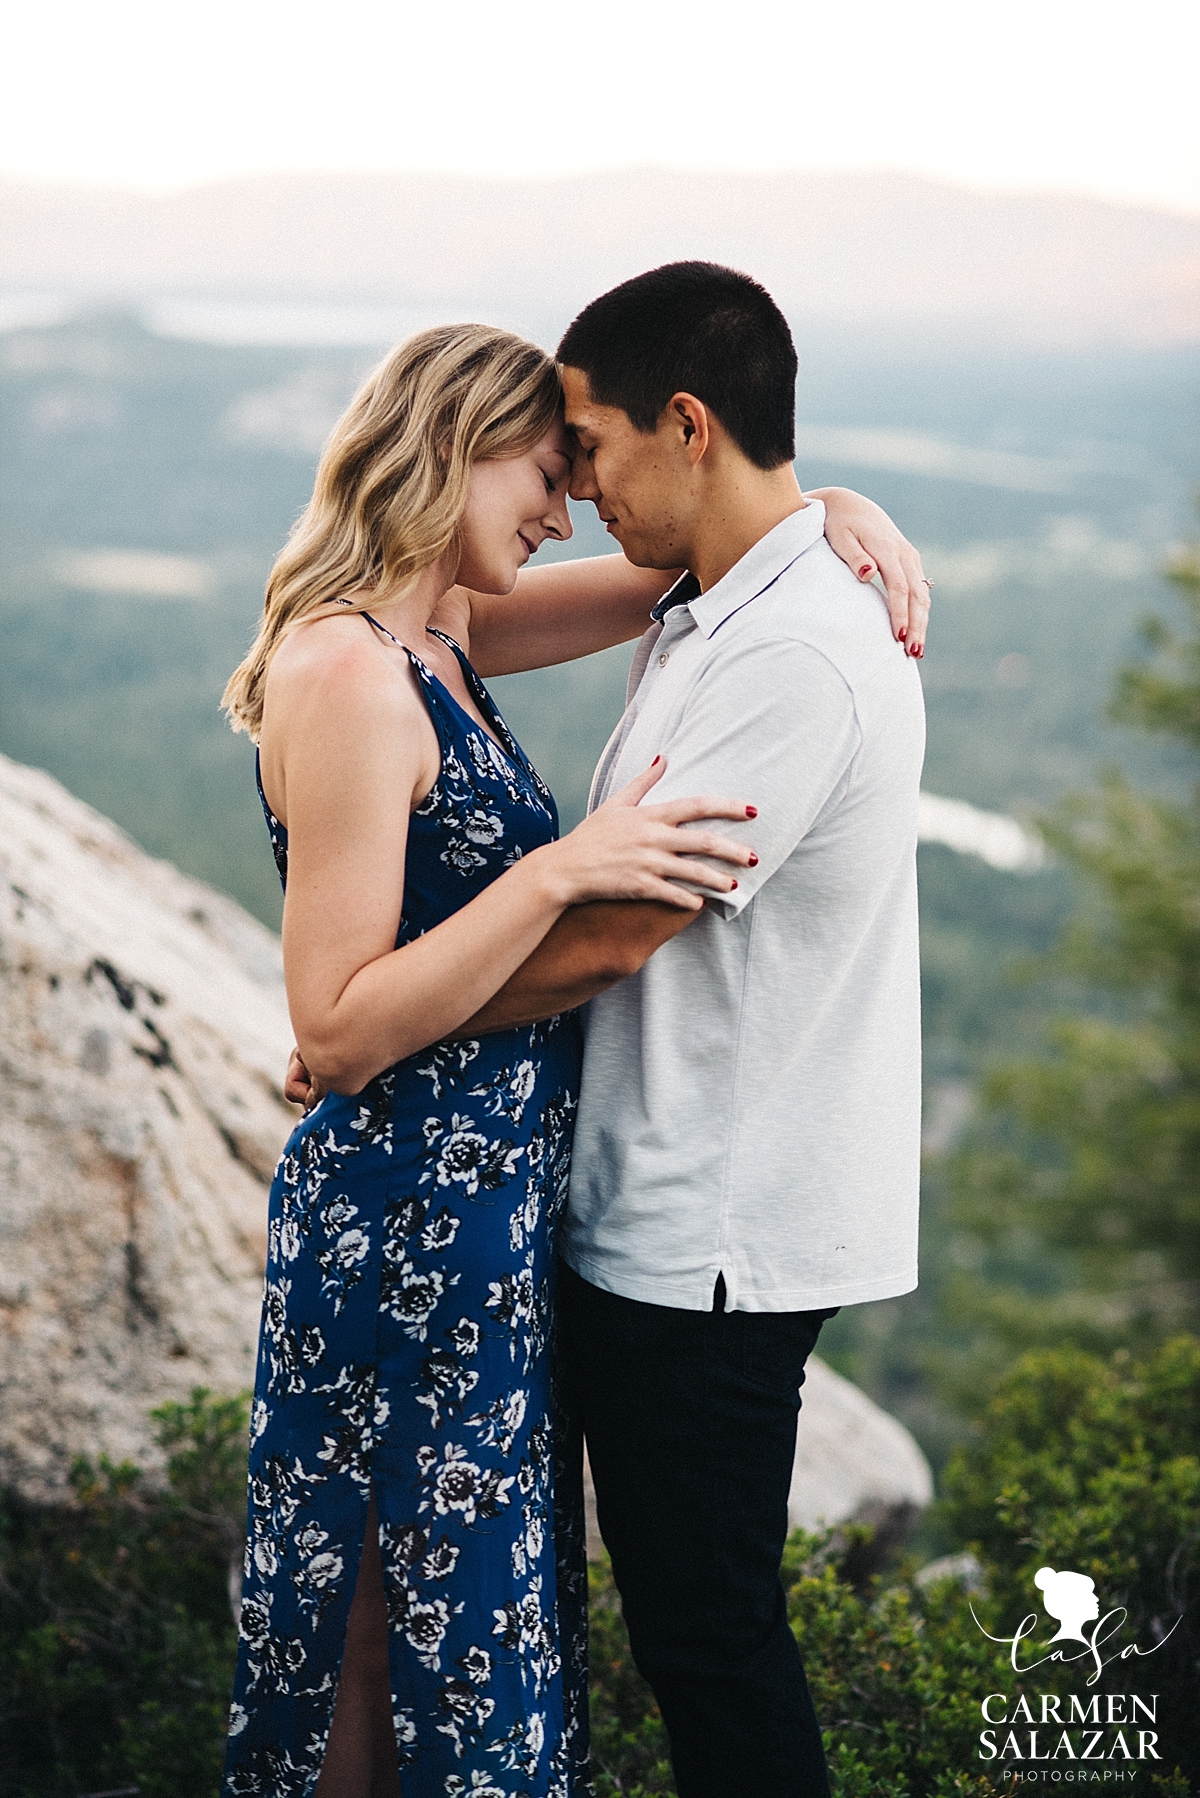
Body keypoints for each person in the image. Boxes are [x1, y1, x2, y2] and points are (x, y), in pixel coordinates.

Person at [231, 317, 928, 1796]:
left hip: (490, 1212)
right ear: (448, 447)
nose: (562, 508)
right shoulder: (354, 674)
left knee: (455, 1605)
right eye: (544, 472)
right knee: (367, 1615)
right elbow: (338, 1025)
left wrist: (841, 517)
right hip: (405, 1211)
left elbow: (704, 550)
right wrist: (553, 876)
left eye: (579, 464)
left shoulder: (451, 634)